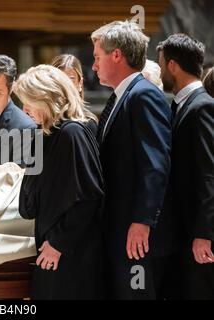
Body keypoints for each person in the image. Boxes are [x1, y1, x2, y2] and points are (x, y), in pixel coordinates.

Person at [91, 21, 173, 299]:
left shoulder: (143, 95)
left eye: (97, 57)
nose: (94, 66)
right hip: (119, 231)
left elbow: (155, 164)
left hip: (136, 236)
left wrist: (142, 221)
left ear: (116, 55)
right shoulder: (123, 95)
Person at [14, 64, 104, 299]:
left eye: (29, 102)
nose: (24, 110)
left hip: (70, 252)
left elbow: (88, 198)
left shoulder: (71, 133)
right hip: (54, 247)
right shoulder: (48, 134)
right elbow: (31, 200)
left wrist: (57, 244)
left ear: (46, 99)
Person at [157, 34, 214, 299]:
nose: (159, 73)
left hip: (197, 238)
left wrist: (204, 234)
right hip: (182, 235)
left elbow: (208, 174)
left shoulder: (202, 107)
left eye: (160, 65)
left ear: (172, 65)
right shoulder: (181, 105)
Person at [51, 53, 98, 135]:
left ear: (80, 83)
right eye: (60, 81)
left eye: (71, 80)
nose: (66, 87)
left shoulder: (88, 122)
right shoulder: (42, 119)